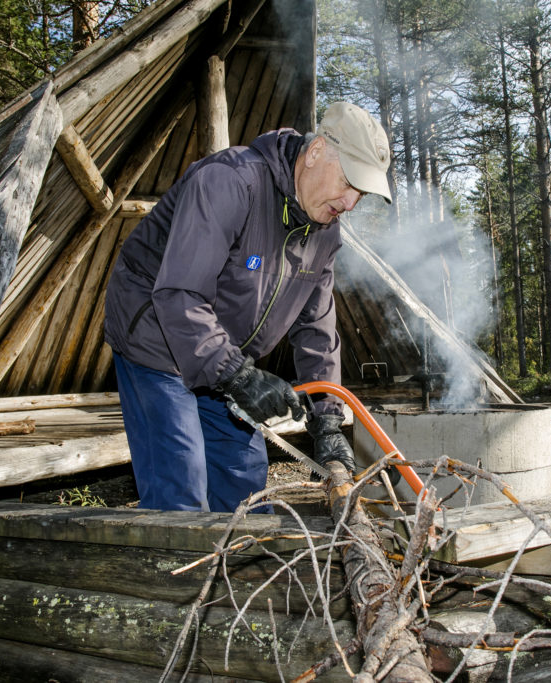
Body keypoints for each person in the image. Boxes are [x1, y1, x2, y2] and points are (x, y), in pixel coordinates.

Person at [103, 102, 393, 512]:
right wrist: (238, 376)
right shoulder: (230, 182)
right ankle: (177, 571)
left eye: (360, 193)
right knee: (181, 486)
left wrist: (326, 420)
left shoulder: (324, 232)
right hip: (157, 340)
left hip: (223, 355)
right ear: (315, 153)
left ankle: (241, 572)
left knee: (247, 483)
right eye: (348, 182)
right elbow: (179, 295)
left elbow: (317, 329)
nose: (349, 203)